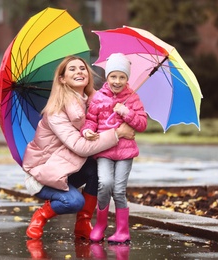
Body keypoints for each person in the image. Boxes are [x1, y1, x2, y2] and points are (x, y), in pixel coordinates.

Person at [22, 55, 135, 241]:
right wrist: (118, 134)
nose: (79, 72)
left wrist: (126, 113)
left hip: (67, 170)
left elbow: (103, 123)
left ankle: (83, 224)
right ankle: (40, 216)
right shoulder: (56, 112)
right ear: (62, 79)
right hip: (44, 174)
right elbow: (79, 147)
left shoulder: (93, 103)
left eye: (82, 68)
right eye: (72, 69)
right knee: (73, 201)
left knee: (96, 170)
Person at [81, 53, 147, 244]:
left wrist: (126, 112)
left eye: (122, 77)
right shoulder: (99, 97)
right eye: (113, 76)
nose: (117, 81)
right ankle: (100, 225)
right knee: (105, 184)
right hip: (104, 152)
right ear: (107, 76)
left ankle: (122, 230)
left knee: (119, 190)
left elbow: (142, 124)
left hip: (125, 153)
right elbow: (91, 120)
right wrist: (87, 132)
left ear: (127, 78)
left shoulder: (133, 98)